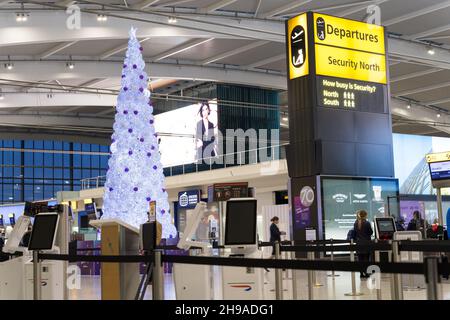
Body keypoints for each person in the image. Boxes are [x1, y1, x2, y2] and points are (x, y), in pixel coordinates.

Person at [353, 210, 373, 279]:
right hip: (366, 243)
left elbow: (354, 233)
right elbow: (370, 232)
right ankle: (367, 273)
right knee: (366, 259)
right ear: (365, 215)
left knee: (360, 259)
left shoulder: (356, 223)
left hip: (358, 243)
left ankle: (361, 273)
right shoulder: (367, 223)